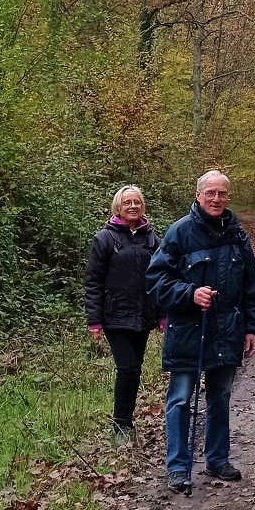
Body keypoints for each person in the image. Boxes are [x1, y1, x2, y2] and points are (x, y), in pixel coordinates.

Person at [146, 171, 255, 492]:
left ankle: (217, 459)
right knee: (181, 399)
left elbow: (251, 287)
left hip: (227, 331)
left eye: (222, 193)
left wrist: (252, 328)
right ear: (198, 195)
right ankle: (179, 466)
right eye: (210, 193)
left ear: (228, 197)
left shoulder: (237, 235)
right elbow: (156, 281)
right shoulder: (179, 233)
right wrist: (189, 294)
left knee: (220, 397)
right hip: (187, 332)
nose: (216, 199)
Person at [84, 185, 162, 439]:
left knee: (135, 368)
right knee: (127, 367)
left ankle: (126, 421)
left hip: (143, 314)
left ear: (143, 206)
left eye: (137, 202)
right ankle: (121, 425)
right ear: (118, 207)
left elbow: (161, 277)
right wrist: (94, 320)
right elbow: (93, 280)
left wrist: (162, 314)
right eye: (127, 202)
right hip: (115, 315)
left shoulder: (151, 239)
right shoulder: (104, 238)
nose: (132, 206)